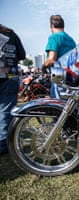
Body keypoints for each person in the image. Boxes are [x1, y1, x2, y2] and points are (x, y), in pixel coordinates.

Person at [0, 24, 26, 154]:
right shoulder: (11, 34)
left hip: (8, 76)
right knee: (6, 112)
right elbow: (22, 55)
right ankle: (4, 144)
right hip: (10, 75)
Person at [44, 15, 76, 98]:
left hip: (58, 76)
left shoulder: (54, 37)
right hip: (71, 77)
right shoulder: (71, 40)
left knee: (57, 105)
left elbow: (51, 59)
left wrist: (43, 67)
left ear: (51, 26)